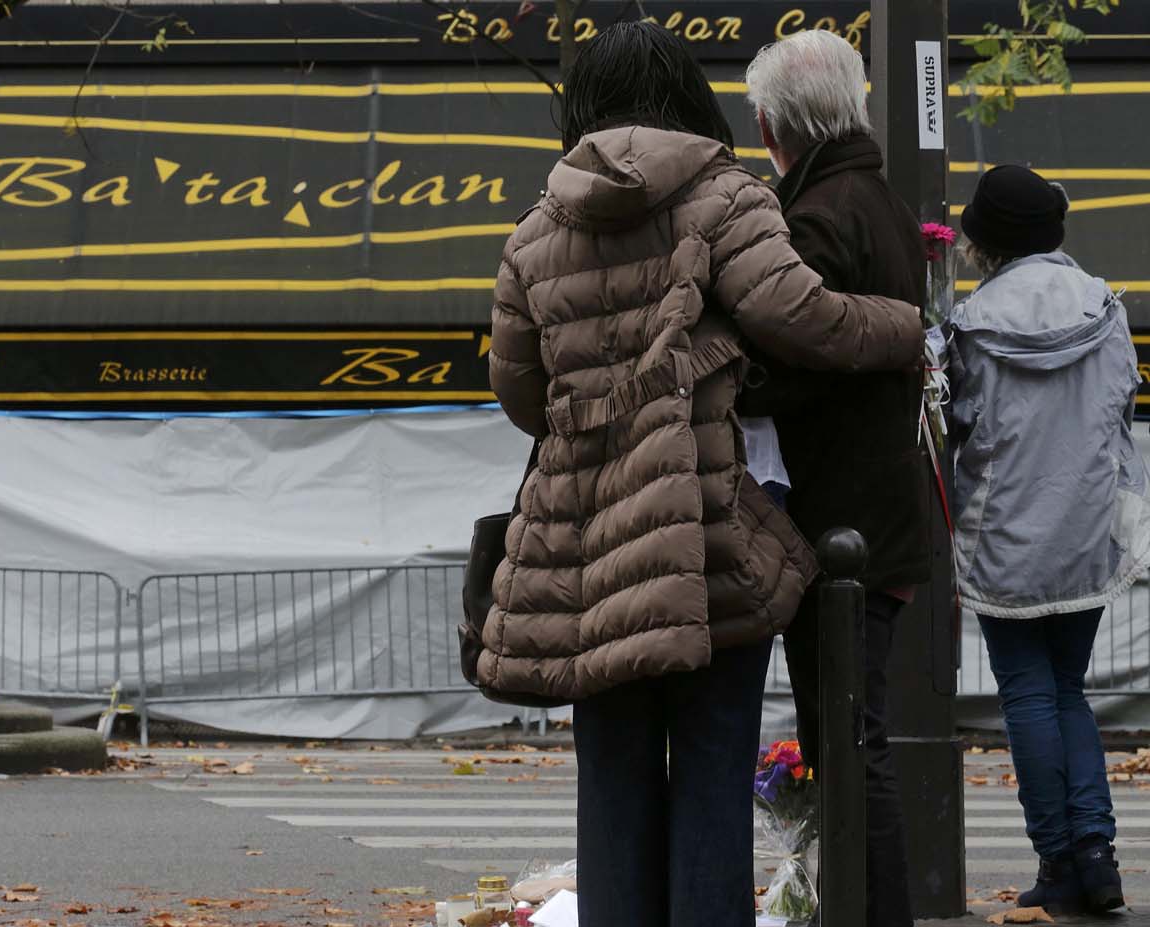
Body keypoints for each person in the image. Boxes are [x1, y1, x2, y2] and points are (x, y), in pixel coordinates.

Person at [479, 22, 923, 927]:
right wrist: (912, 326)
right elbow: (808, 319)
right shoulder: (729, 199)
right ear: (689, 96)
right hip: (705, 527)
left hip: (582, 535)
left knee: (610, 758)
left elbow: (520, 394)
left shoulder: (534, 231)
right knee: (716, 752)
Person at [737, 30, 933, 927]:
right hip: (879, 509)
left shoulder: (816, 216)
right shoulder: (878, 198)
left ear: (777, 125)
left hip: (837, 517)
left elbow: (798, 363)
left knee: (848, 742)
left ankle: (869, 912)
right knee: (851, 737)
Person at [949, 164, 1150, 915]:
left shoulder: (973, 323)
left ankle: (1061, 858)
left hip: (1005, 533)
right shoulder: (1104, 305)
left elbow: (957, 426)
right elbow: (1118, 406)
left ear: (987, 243)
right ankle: (1097, 855)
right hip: (1087, 529)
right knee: (1069, 687)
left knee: (1028, 690)